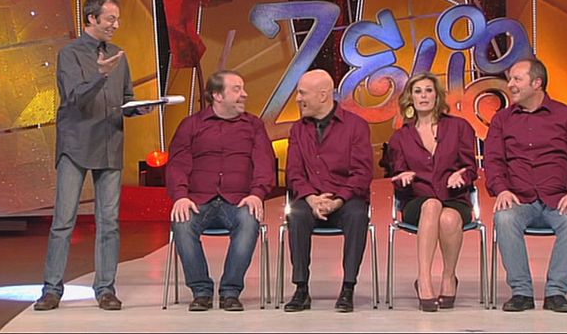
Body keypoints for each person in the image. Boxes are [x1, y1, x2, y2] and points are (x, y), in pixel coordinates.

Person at [34, 0, 155, 311]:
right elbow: (75, 98)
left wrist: (139, 107)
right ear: (92, 18)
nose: (116, 25)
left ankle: (105, 289)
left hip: (110, 143)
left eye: (117, 19)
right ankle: (51, 289)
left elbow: (125, 97)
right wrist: (100, 75)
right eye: (110, 19)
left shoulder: (118, 55)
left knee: (109, 221)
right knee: (64, 220)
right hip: (76, 144)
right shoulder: (70, 54)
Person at [485, 58, 567, 313]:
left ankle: (556, 292)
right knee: (505, 218)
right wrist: (502, 189)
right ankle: (521, 292)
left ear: (537, 83)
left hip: (558, 198)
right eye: (510, 79)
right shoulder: (501, 120)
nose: (510, 84)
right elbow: (493, 161)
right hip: (520, 199)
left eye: (517, 79)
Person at [165, 70, 275, 312]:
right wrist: (180, 196)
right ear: (217, 95)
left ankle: (230, 292)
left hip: (237, 201)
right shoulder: (191, 125)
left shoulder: (254, 126)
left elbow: (265, 163)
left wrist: (257, 193)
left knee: (249, 219)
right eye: (237, 89)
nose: (244, 94)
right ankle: (201, 291)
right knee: (182, 221)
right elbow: (177, 164)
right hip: (199, 200)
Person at [283, 69, 373, 313]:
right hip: (311, 197)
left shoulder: (356, 126)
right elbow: (294, 173)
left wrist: (338, 200)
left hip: (346, 198)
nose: (298, 99)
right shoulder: (298, 129)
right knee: (296, 215)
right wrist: (312, 198)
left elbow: (362, 173)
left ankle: (348, 288)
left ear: (323, 95)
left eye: (302, 93)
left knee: (357, 216)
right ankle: (301, 289)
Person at [387, 72, 478, 312]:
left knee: (448, 218)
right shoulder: (401, 137)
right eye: (418, 92)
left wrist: (461, 175)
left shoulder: (459, 127)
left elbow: (471, 168)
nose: (424, 96)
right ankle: (424, 280)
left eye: (428, 90)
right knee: (432, 205)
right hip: (417, 200)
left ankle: (449, 277)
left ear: (437, 96)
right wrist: (403, 177)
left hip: (454, 197)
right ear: (410, 98)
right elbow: (397, 174)